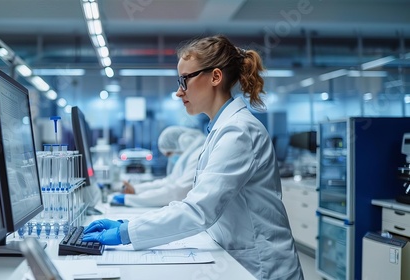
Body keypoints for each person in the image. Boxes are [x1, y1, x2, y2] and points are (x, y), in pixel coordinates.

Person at [83, 35, 304, 279]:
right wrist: (131, 225)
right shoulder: (220, 129)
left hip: (262, 267)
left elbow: (199, 210)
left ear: (215, 77)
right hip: (237, 257)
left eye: (184, 80)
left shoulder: (239, 131)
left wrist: (127, 232)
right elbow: (195, 202)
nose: (179, 92)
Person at [111, 125, 205, 207]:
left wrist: (130, 199)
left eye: (169, 153)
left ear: (182, 142)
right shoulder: (188, 156)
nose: (171, 158)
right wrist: (136, 190)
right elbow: (169, 182)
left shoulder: (196, 155)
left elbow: (177, 192)